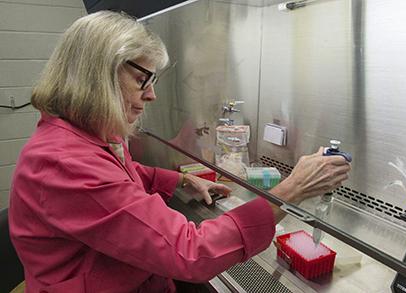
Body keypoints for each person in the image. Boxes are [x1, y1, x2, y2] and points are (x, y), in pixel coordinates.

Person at [9, 11, 350, 293]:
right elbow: (191, 252)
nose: (152, 95)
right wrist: (292, 190)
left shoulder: (90, 133)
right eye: (143, 79)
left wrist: (180, 181)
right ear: (98, 75)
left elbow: (121, 175)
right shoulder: (62, 161)